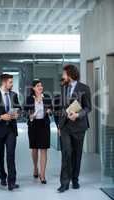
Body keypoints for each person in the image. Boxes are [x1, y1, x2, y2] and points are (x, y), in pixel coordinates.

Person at [54, 64, 91, 193]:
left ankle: (75, 179)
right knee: (66, 153)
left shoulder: (84, 88)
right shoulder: (63, 88)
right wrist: (59, 125)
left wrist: (78, 114)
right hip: (65, 127)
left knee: (77, 154)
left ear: (70, 74)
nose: (62, 76)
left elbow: (88, 107)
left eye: (64, 74)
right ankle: (64, 183)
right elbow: (60, 108)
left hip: (79, 126)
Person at [0, 74, 21, 191]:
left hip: (11, 129)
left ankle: (12, 182)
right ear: (4, 83)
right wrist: (0, 116)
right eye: (10, 82)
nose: (12, 84)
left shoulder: (14, 95)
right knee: (0, 157)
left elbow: (18, 108)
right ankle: (3, 176)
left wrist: (17, 114)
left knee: (11, 156)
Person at [24, 79, 52, 184]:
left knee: (44, 149)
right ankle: (35, 168)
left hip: (44, 125)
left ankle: (43, 175)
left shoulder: (47, 98)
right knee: (35, 148)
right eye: (38, 86)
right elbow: (24, 111)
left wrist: (49, 111)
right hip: (33, 125)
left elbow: (52, 109)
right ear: (33, 88)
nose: (40, 87)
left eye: (41, 85)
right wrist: (29, 115)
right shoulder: (29, 99)